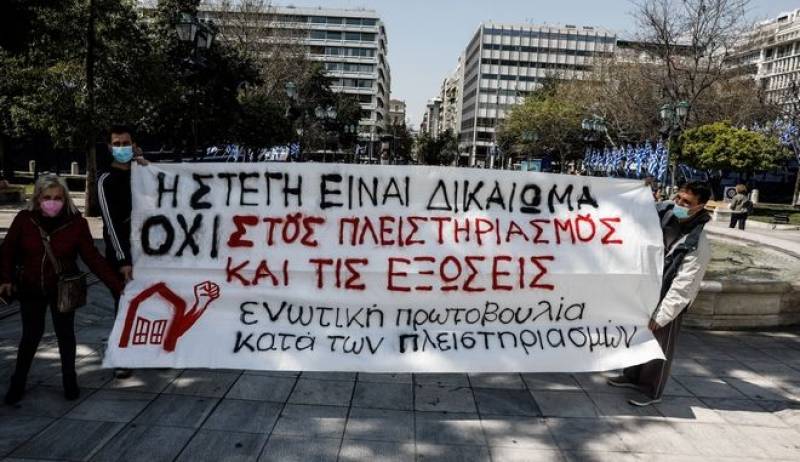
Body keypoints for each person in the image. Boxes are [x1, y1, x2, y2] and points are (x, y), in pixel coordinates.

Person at [0, 175, 125, 405]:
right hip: (31, 287)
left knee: (65, 334)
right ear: (38, 198)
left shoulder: (76, 223)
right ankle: (18, 382)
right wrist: (5, 278)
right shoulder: (24, 220)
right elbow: (7, 250)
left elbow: (93, 258)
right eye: (47, 197)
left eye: (58, 197)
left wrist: (117, 286)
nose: (52, 202)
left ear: (65, 199)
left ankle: (70, 380)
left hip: (63, 287)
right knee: (30, 336)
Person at [607, 181, 713, 406]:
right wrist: (639, 188)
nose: (679, 203)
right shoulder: (666, 215)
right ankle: (631, 376)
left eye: (687, 202)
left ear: (700, 206)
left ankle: (651, 390)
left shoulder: (698, 243)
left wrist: (663, 315)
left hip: (668, 297)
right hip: (648, 290)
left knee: (659, 345)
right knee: (638, 336)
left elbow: (685, 284)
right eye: (678, 198)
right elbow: (636, 209)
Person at [98, 124, 147, 379]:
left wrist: (146, 165)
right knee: (124, 305)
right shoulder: (105, 180)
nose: (121, 148)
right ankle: (121, 355)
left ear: (134, 145)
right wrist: (123, 259)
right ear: (109, 147)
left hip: (147, 253)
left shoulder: (141, 173)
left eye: (126, 143)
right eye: (116, 144)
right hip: (122, 255)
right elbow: (111, 225)